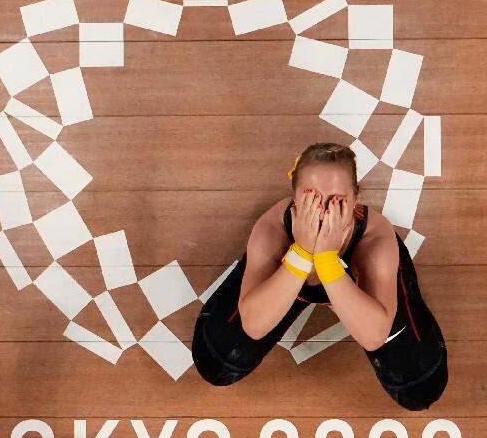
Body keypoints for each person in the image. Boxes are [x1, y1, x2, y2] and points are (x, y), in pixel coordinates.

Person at [192, 142, 448, 410]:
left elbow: (374, 336)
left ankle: (334, 291)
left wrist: (326, 261)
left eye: (337, 200)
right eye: (312, 198)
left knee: (420, 384)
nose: (324, 212)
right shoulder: (272, 230)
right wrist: (302, 252)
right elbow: (254, 325)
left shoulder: (375, 240)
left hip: (353, 286)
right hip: (291, 274)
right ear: (294, 198)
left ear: (356, 200)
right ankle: (291, 285)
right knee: (217, 361)